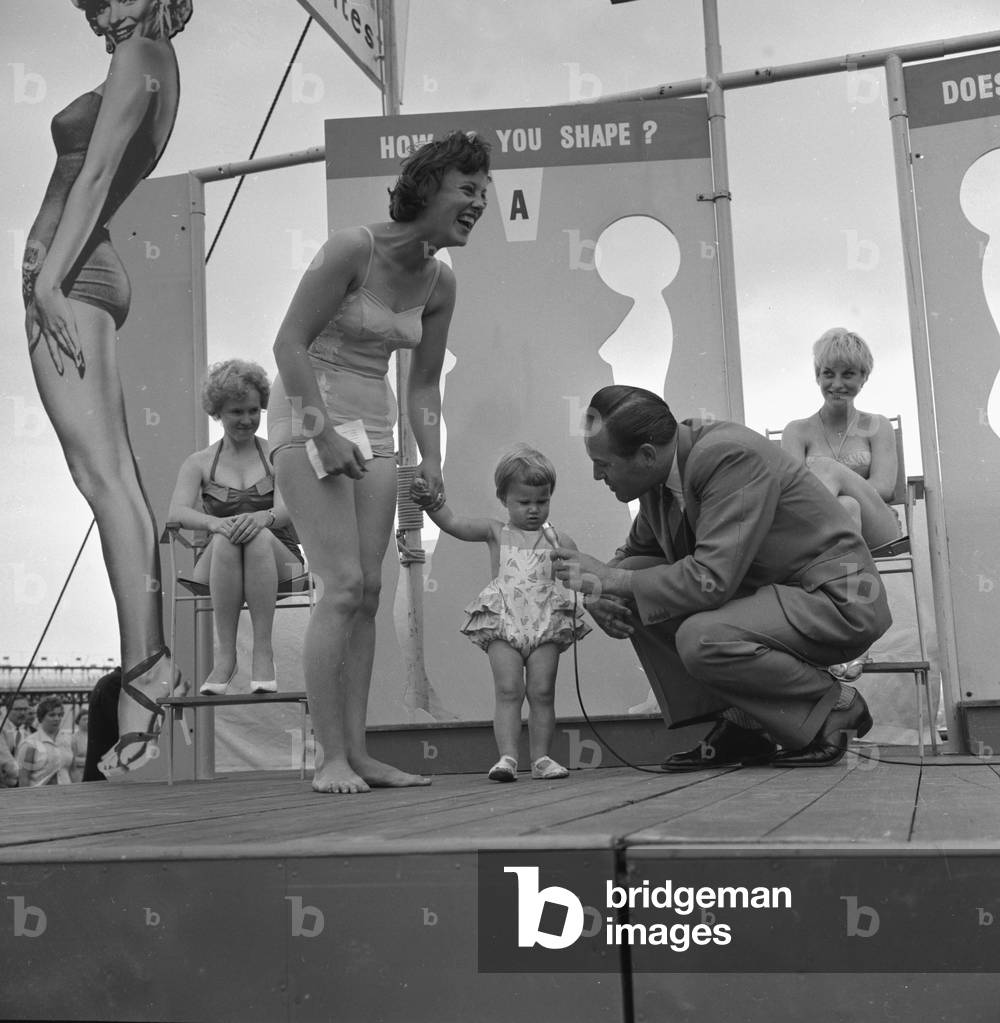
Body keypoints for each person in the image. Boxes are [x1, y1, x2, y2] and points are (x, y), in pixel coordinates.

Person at [269, 130, 491, 794]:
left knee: (368, 592)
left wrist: (431, 460)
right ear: (425, 187)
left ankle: (359, 752)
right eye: (468, 189)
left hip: (376, 421)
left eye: (484, 191)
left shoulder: (441, 281)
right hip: (310, 407)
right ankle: (329, 756)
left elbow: (424, 385)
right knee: (339, 585)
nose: (480, 202)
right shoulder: (351, 248)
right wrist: (318, 431)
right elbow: (288, 343)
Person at [21, 0, 194, 777]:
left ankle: (147, 667)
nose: (94, 3)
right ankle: (147, 664)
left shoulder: (139, 61)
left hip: (75, 273)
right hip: (85, 267)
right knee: (112, 477)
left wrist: (49, 282)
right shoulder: (152, 60)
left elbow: (95, 175)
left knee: (106, 481)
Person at [551, 385, 892, 769]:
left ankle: (834, 705)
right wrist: (600, 590)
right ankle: (745, 725)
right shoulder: (660, 476)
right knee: (629, 581)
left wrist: (609, 580)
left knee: (701, 638)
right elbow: (633, 557)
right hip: (779, 594)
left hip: (837, 599)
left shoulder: (728, 456)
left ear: (646, 455)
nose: (597, 475)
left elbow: (711, 578)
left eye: (604, 463)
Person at [414, 445, 590, 782]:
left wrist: (594, 592)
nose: (534, 510)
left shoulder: (557, 538)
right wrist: (431, 506)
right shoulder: (497, 532)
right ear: (503, 498)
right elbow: (454, 524)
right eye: (524, 503)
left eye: (542, 501)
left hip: (544, 623)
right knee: (508, 690)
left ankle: (541, 758)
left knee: (542, 691)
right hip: (504, 621)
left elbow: (580, 573)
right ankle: (507, 757)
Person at [168, 360, 304, 694]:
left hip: (281, 564)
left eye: (254, 410)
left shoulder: (277, 454)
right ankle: (225, 657)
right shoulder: (198, 462)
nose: (247, 420)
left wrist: (261, 519)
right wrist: (216, 523)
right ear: (217, 412)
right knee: (229, 535)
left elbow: (288, 509)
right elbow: (176, 511)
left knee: (254, 535)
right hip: (220, 566)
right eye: (236, 412)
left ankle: (262, 651)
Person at [781, 328, 901, 551]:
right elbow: (792, 495)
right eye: (828, 374)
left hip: (879, 529)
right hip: (823, 533)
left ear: (863, 377)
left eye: (847, 374)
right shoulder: (796, 432)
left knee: (827, 469)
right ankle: (847, 584)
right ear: (817, 377)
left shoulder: (878, 426)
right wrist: (840, 501)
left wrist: (835, 477)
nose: (837, 384)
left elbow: (884, 488)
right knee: (847, 507)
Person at [17, 696, 74, 787]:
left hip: (67, 794)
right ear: (41, 717)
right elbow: (24, 778)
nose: (57, 718)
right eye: (52, 715)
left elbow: (70, 770)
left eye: (60, 715)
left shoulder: (67, 739)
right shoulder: (30, 743)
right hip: (39, 796)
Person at [70, 708, 89, 783]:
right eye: (84, 719)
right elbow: (72, 759)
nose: (87, 721)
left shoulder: (95, 737)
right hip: (80, 773)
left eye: (89, 719)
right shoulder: (74, 738)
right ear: (78, 721)